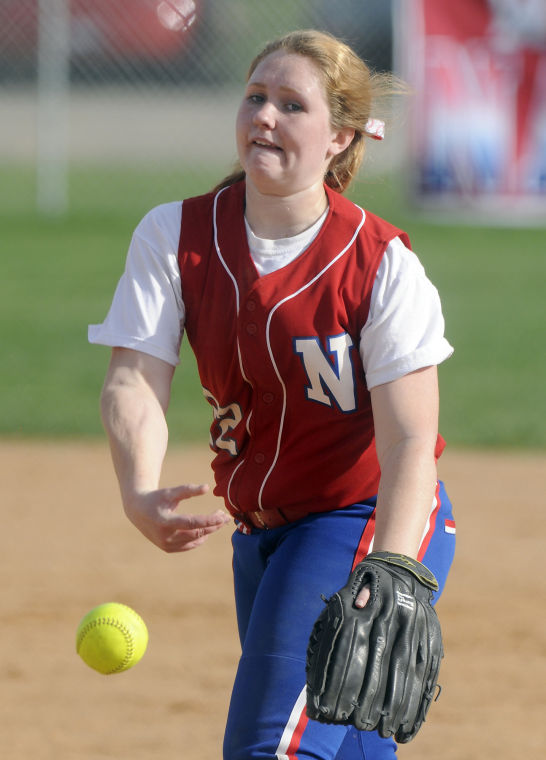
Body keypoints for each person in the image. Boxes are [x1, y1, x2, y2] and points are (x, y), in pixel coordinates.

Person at [89, 29, 456, 760]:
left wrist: (389, 565)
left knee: (273, 748)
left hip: (360, 522)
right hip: (261, 537)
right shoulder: (178, 236)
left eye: (293, 104)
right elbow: (134, 377)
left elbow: (412, 440)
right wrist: (138, 488)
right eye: (256, 97)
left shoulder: (380, 263)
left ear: (340, 136)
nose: (265, 115)